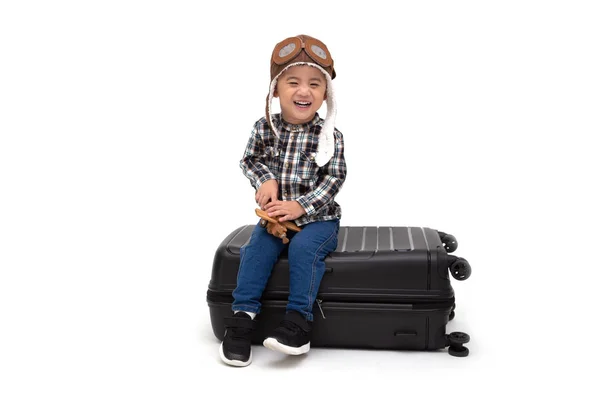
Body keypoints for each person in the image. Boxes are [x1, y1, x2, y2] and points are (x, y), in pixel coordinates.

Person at [219, 34, 347, 367]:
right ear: (276, 89)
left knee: (305, 250)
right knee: (256, 249)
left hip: (318, 219)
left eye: (315, 85)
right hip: (275, 219)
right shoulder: (265, 127)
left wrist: (301, 206)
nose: (304, 91)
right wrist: (266, 180)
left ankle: (298, 323)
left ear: (325, 95)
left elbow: (334, 178)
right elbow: (250, 160)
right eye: (293, 82)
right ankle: (242, 318)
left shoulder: (329, 136)